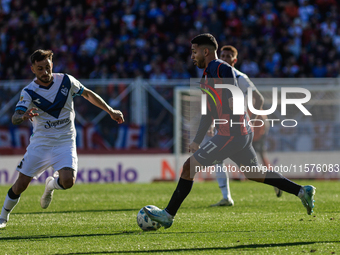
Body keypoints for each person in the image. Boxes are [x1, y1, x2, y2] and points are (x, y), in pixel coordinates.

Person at [143, 33, 315, 229]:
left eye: (194, 51)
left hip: (232, 133)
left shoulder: (221, 68)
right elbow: (208, 111)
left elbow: (234, 95)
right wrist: (198, 139)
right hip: (237, 132)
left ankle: (168, 215)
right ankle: (302, 191)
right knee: (254, 173)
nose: (192, 56)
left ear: (205, 51)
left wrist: (232, 122)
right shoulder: (208, 73)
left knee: (189, 167)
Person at [0, 49, 124, 229]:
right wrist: (23, 116)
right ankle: (3, 217)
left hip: (65, 141)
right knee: (20, 185)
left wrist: (111, 111)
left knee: (68, 182)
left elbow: (87, 93)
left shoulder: (66, 80)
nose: (45, 72)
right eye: (40, 69)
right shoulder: (29, 91)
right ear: (33, 69)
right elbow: (15, 117)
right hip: (41, 144)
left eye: (47, 67)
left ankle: (50, 185)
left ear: (52, 65)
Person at [210, 45, 282, 207]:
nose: (225, 58)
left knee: (252, 166)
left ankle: (278, 182)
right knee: (222, 159)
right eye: (223, 55)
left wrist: (253, 119)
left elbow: (259, 99)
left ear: (235, 61)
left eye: (229, 56)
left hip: (238, 127)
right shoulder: (217, 77)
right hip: (225, 125)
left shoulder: (239, 77)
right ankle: (226, 197)